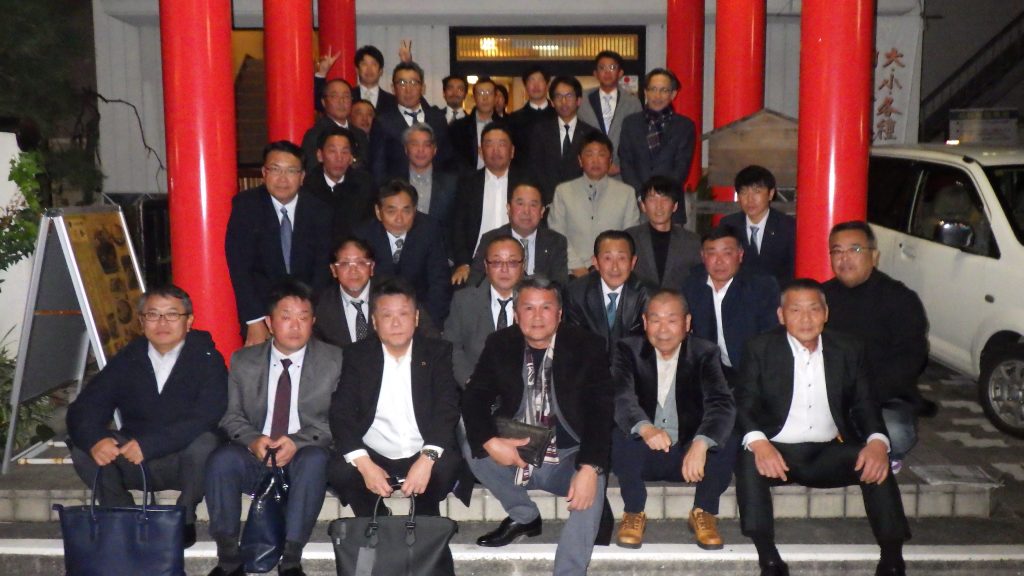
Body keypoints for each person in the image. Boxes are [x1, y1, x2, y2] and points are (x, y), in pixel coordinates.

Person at [734, 279, 911, 576]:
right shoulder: (760, 348)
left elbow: (865, 403)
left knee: (875, 459)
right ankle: (768, 557)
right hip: (778, 452)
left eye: (814, 309)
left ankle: (892, 557)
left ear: (826, 313)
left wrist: (878, 441)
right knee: (748, 458)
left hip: (827, 451)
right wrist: (760, 443)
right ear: (781, 315)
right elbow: (744, 401)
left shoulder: (848, 348)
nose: (806, 318)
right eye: (795, 310)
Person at [462, 277, 614, 576]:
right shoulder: (500, 343)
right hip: (517, 452)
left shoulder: (587, 345)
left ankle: (568, 572)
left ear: (560, 313)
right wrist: (491, 441)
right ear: (516, 314)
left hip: (568, 456)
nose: (537, 316)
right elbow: (475, 395)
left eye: (546, 307)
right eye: (528, 308)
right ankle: (524, 515)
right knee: (472, 442)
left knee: (593, 478)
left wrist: (589, 468)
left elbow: (601, 410)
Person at [67, 285, 227, 549]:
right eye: (152, 315)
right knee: (84, 446)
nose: (162, 323)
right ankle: (120, 513)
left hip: (184, 462)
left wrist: (151, 444)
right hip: (134, 459)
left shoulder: (208, 358)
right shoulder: (128, 358)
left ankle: (184, 514)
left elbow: (207, 415)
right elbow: (85, 407)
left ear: (189, 321)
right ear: (142, 322)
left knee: (207, 441)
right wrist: (96, 439)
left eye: (172, 314)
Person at [205, 281, 343, 576]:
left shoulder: (334, 360)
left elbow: (340, 419)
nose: (295, 326)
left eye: (303, 317)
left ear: (313, 321)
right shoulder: (244, 360)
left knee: (315, 459)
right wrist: (254, 440)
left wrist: (297, 441)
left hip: (304, 453)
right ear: (269, 322)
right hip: (257, 453)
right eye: (286, 317)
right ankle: (228, 557)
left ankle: (291, 558)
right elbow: (230, 416)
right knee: (222, 460)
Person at [611, 289, 735, 549]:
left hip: (690, 458)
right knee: (619, 433)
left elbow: (721, 403)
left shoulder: (704, 352)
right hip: (643, 453)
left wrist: (701, 443)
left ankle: (704, 510)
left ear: (687, 323)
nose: (663, 329)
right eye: (655, 320)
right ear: (645, 322)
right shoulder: (628, 349)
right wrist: (646, 429)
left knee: (727, 434)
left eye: (672, 320)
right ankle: (633, 511)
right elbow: (621, 397)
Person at [328, 277, 462, 518]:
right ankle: (375, 515)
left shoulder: (436, 353)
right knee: (340, 469)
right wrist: (365, 464)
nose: (396, 323)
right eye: (387, 315)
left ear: (416, 318)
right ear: (374, 321)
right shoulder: (358, 355)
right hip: (375, 450)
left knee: (447, 464)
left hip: (421, 446)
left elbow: (447, 408)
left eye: (403, 314)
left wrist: (427, 458)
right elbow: (341, 412)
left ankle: (424, 513)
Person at [822, 221, 931, 472]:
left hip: (883, 397)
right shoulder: (821, 296)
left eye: (854, 250)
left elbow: (911, 358)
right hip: (832, 396)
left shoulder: (900, 298)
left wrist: (864, 396)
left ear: (874, 256)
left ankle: (871, 450)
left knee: (895, 433)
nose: (844, 258)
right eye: (837, 251)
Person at [225, 141, 332, 346]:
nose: (283, 178)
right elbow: (240, 268)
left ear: (302, 176)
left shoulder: (319, 210)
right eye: (275, 169)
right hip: (262, 312)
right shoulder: (246, 207)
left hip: (306, 311)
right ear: (264, 173)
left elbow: (321, 270)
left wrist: (308, 314)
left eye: (291, 171)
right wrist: (255, 320)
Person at [682, 227, 780, 385]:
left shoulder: (761, 286)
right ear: (702, 256)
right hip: (709, 373)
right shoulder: (692, 284)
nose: (719, 261)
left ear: (740, 255)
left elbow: (770, 338)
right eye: (712, 253)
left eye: (727, 253)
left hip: (753, 372)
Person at [354, 179, 452, 325]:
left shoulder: (429, 230)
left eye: (406, 211)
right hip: (376, 316)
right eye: (391, 211)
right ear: (378, 212)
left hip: (421, 313)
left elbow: (439, 283)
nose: (399, 219)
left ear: (415, 210)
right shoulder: (363, 236)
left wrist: (425, 323)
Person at [313, 236, 440, 348]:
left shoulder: (395, 292)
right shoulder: (320, 305)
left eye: (361, 263)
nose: (353, 271)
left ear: (372, 267)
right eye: (345, 264)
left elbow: (431, 337)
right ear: (333, 270)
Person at [548, 131, 641, 277]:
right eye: (589, 154)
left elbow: (630, 237)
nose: (595, 160)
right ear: (580, 160)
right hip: (571, 273)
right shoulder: (563, 192)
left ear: (610, 161)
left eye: (601, 154)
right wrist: (577, 267)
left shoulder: (627, 193)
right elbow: (557, 234)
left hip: (613, 273)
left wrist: (609, 267)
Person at [450, 123, 529, 285]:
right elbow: (458, 227)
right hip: (477, 264)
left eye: (502, 144)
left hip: (517, 262)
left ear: (512, 151)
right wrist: (463, 263)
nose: (496, 150)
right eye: (489, 144)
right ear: (480, 151)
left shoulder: (526, 183)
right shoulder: (467, 184)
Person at [445, 235, 526, 385]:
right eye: (496, 262)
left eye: (512, 262)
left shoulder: (537, 301)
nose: (504, 269)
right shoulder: (464, 301)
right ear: (486, 266)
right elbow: (452, 346)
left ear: (523, 265)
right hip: (476, 386)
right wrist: (471, 382)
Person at [620, 68, 695, 225]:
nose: (657, 96)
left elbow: (681, 167)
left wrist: (661, 198)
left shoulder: (685, 126)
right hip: (637, 205)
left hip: (670, 206)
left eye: (663, 90)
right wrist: (643, 196)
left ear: (673, 94)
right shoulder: (630, 123)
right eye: (653, 89)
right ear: (645, 92)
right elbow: (626, 163)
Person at [469, 182, 569, 288]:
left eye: (533, 205)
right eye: (520, 204)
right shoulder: (491, 239)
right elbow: (474, 284)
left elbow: (560, 286)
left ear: (542, 211)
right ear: (508, 208)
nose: (526, 211)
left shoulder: (556, 242)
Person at [564, 230, 649, 352]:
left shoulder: (648, 294)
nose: (615, 267)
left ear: (633, 262)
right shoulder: (576, 293)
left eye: (621, 258)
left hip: (632, 362)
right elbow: (573, 342)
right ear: (595, 262)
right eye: (607, 258)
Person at [369, 61, 451, 183]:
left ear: (423, 88)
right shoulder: (382, 122)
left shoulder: (438, 119)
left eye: (413, 83)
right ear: (393, 88)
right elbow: (377, 167)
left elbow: (446, 159)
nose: (408, 89)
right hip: (397, 189)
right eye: (402, 83)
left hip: (435, 189)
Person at [528, 76, 600, 204]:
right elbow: (535, 169)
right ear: (552, 102)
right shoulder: (540, 132)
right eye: (558, 96)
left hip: (582, 203)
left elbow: (594, 172)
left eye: (569, 96)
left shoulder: (591, 134)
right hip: (547, 203)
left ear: (578, 101)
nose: (564, 101)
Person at [720, 165, 796, 287]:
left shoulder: (787, 227)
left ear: (771, 194)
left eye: (757, 191)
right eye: (744, 192)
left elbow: (793, 271)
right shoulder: (728, 224)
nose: (750, 199)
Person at [626, 175, 701, 288]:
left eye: (665, 199)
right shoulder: (629, 238)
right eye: (652, 199)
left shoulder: (692, 242)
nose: (659, 206)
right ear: (643, 206)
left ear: (675, 206)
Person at [577, 50, 642, 177]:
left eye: (612, 67)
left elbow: (637, 140)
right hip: (588, 172)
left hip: (620, 174)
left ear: (620, 73)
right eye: (602, 68)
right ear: (595, 73)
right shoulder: (582, 101)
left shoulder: (632, 103)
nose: (607, 72)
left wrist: (622, 166)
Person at [304, 126, 375, 241]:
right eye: (332, 151)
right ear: (320, 155)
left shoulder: (366, 185)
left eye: (344, 152)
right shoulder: (307, 187)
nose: (339, 158)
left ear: (351, 158)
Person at [404, 123, 459, 257]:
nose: (421, 150)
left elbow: (458, 226)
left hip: (442, 256)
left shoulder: (453, 184)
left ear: (434, 150)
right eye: (415, 144)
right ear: (406, 149)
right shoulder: (394, 183)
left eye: (426, 145)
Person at [300, 78, 370, 173]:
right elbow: (312, 170)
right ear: (324, 102)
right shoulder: (315, 135)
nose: (341, 101)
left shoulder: (359, 134)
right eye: (334, 96)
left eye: (346, 96)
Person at [449, 76, 503, 172]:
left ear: (495, 97)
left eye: (489, 93)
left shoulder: (506, 125)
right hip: (467, 179)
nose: (485, 98)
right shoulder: (458, 127)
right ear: (474, 97)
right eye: (480, 93)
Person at [508, 65, 554, 170]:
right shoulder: (514, 119)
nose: (536, 85)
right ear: (525, 86)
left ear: (547, 85)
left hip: (553, 175)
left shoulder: (558, 116)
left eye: (540, 80)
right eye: (531, 80)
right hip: (523, 175)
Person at [352, 45, 398, 115]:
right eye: (364, 64)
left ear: (381, 71)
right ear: (357, 70)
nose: (369, 69)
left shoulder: (393, 101)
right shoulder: (348, 97)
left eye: (374, 64)